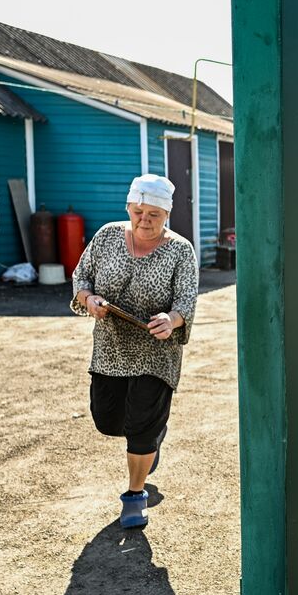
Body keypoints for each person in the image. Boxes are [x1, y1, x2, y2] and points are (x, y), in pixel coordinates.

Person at [70, 174, 198, 529]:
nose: (145, 219)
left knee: (141, 423)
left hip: (157, 352)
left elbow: (186, 302)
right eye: (138, 211)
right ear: (129, 207)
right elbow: (82, 279)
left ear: (167, 215)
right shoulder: (108, 236)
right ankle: (153, 437)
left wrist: (171, 321)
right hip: (111, 347)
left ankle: (134, 494)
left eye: (154, 214)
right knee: (107, 420)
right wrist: (90, 299)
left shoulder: (180, 250)